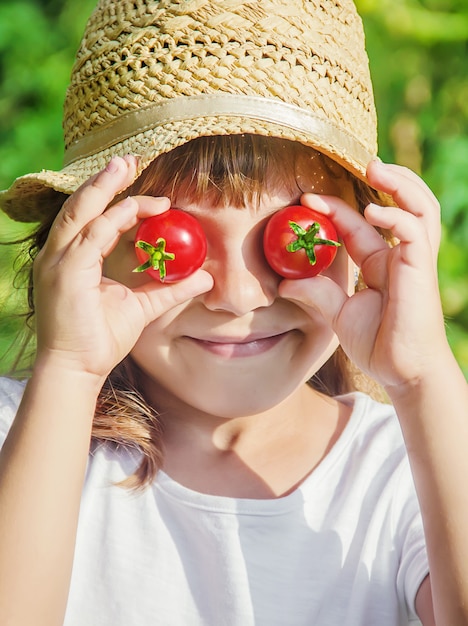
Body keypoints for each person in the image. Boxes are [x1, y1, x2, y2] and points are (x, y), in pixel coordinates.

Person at [0, 0, 467, 624]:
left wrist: (423, 378)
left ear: (364, 245)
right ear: (87, 248)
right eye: (168, 242)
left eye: (297, 237)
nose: (240, 297)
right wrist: (68, 371)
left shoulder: (407, 474)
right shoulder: (21, 435)